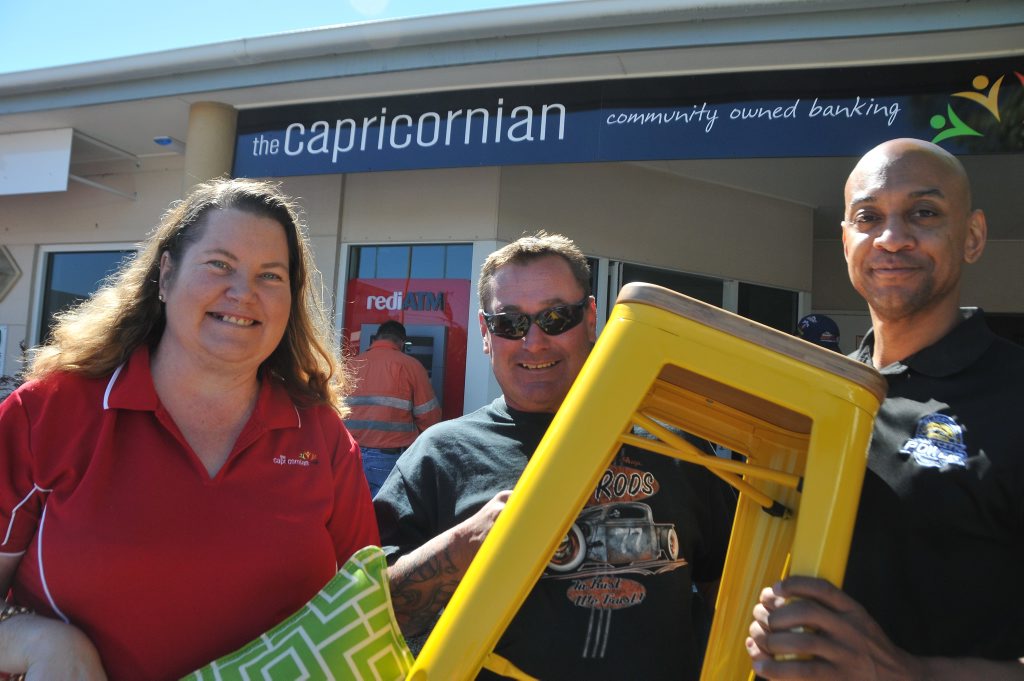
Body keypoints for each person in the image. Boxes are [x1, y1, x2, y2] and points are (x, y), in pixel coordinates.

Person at [0, 178, 380, 681]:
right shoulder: (47, 414)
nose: (243, 293)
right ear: (165, 275)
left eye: (270, 275)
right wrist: (38, 643)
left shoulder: (322, 437)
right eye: (220, 265)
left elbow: (361, 612)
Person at [374, 232, 736, 680]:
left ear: (590, 318)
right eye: (510, 323)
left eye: (555, 317)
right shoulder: (439, 455)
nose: (534, 341)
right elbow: (375, 617)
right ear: (486, 333)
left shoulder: (676, 445)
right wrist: (466, 543)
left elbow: (735, 590)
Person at [746, 138, 1024, 679]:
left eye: (924, 213)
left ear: (972, 237)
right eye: (868, 217)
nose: (892, 239)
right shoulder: (812, 393)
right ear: (845, 241)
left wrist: (908, 672)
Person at [347, 320, 442, 496]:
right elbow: (429, 416)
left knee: (353, 508)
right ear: (402, 342)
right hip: (388, 458)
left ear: (376, 338)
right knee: (385, 510)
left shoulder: (351, 365)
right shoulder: (411, 366)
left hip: (350, 455)